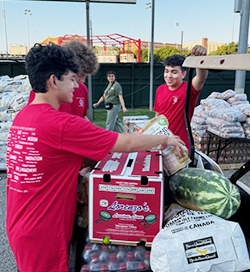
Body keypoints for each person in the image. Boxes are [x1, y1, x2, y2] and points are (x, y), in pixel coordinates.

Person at [6, 42, 184, 272]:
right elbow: (125, 143)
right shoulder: (60, 123)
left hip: (23, 223)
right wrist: (164, 139)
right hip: (45, 231)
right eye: (72, 79)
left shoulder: (24, 117)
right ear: (53, 81)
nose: (76, 85)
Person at [153, 45, 208, 151]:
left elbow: (201, 77)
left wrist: (201, 58)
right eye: (166, 71)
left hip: (180, 144)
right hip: (162, 143)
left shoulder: (189, 89)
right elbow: (157, 115)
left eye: (174, 72)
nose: (168, 75)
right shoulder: (160, 89)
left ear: (183, 74)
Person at [28, 39, 99, 119]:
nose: (83, 80)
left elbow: (82, 116)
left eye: (86, 76)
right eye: (80, 75)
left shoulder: (83, 89)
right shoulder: (43, 91)